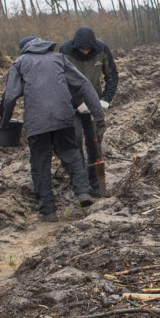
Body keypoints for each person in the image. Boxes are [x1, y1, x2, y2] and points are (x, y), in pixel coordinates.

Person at [0, 36, 104, 221]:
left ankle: (48, 211)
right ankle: (83, 193)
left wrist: (4, 122)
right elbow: (84, 84)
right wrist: (99, 114)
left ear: (24, 49)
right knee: (71, 153)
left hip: (37, 121)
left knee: (40, 163)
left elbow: (9, 97)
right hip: (64, 116)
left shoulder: (20, 63)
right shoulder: (58, 58)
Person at [58, 26, 119, 196]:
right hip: (71, 106)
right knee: (75, 140)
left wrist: (105, 99)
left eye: (88, 49)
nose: (85, 51)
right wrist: (77, 102)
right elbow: (61, 80)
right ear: (75, 45)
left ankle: (95, 184)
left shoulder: (101, 48)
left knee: (95, 143)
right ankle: (81, 185)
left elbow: (112, 76)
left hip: (94, 104)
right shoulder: (64, 51)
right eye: (81, 49)